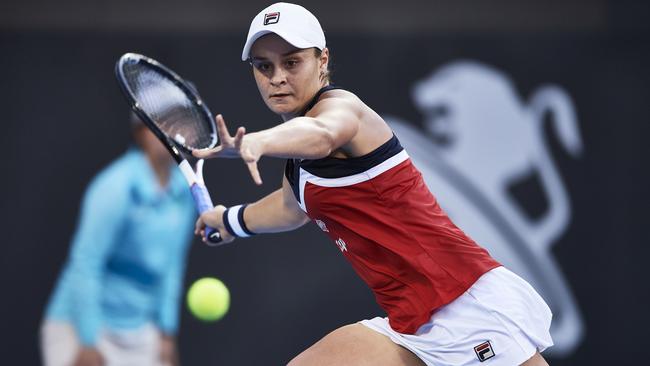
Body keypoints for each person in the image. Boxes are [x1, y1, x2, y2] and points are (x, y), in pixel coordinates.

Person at [194, 3, 553, 366]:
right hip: (410, 324)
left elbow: (323, 133)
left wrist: (259, 142)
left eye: (291, 62)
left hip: (464, 304)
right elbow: (290, 208)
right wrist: (229, 221)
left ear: (322, 60)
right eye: (263, 66)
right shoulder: (299, 163)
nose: (277, 77)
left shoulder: (343, 109)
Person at [41, 113, 196, 366]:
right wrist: (88, 340)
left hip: (141, 328)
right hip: (81, 325)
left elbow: (172, 267)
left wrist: (167, 332)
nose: (174, 135)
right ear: (141, 134)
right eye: (163, 125)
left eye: (182, 125)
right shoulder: (114, 187)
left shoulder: (184, 192)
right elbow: (86, 263)